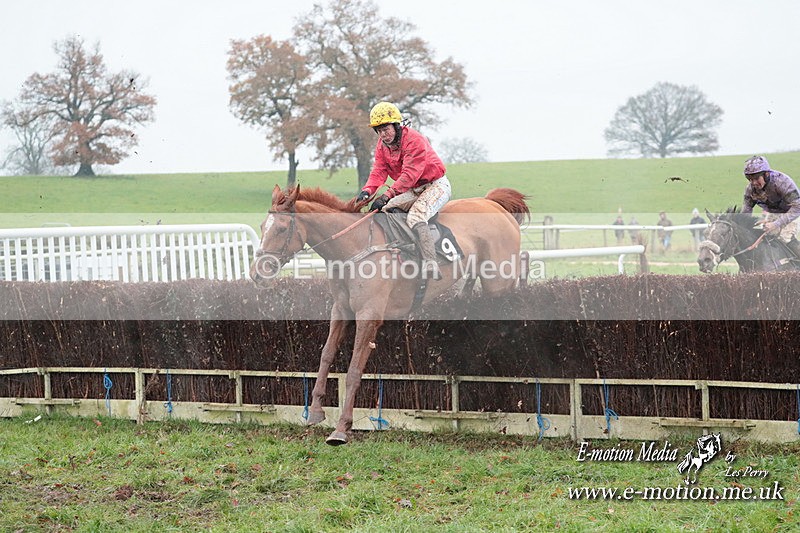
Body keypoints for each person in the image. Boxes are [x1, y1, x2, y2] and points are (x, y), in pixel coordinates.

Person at [355, 102, 450, 278]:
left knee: (416, 216)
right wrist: (367, 191)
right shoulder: (382, 145)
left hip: (436, 186)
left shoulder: (414, 140)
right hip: (413, 189)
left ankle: (431, 263)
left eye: (386, 129)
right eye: (379, 130)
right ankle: (404, 249)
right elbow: (379, 171)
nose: (383, 134)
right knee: (383, 210)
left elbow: (409, 175)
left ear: (396, 125)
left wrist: (387, 195)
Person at [741, 155, 800, 259]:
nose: (754, 183)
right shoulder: (750, 189)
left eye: (756, 179)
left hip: (792, 213)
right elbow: (746, 210)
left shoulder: (782, 182)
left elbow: (797, 206)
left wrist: (776, 223)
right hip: (772, 214)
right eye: (750, 179)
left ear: (766, 174)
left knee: (785, 237)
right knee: (766, 237)